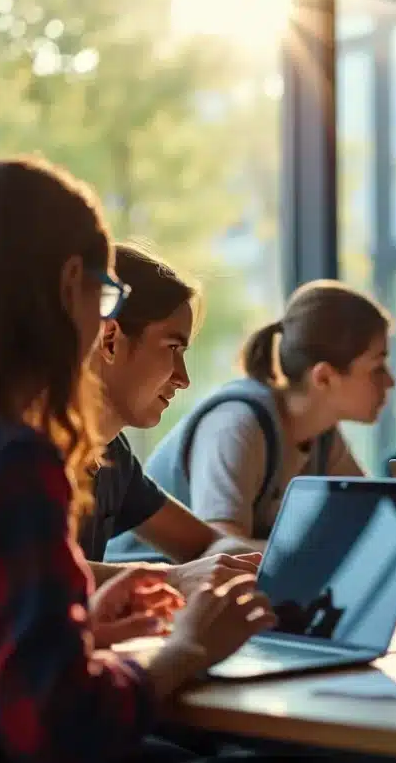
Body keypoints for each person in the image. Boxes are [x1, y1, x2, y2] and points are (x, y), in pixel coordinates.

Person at [0, 157, 273, 763]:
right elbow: (62, 728)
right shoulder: (6, 460)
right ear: (66, 288)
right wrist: (186, 650)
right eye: (104, 295)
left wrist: (75, 624)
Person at [145, 280, 394, 544]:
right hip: (153, 576)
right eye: (377, 368)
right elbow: (222, 551)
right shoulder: (236, 425)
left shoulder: (323, 436)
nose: (390, 381)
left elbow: (372, 520)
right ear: (324, 378)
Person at [81, 243, 260, 607]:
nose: (183, 378)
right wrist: (173, 579)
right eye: (172, 348)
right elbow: (35, 577)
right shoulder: (24, 449)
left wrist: (243, 563)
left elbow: (203, 542)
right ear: (110, 340)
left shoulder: (111, 454)